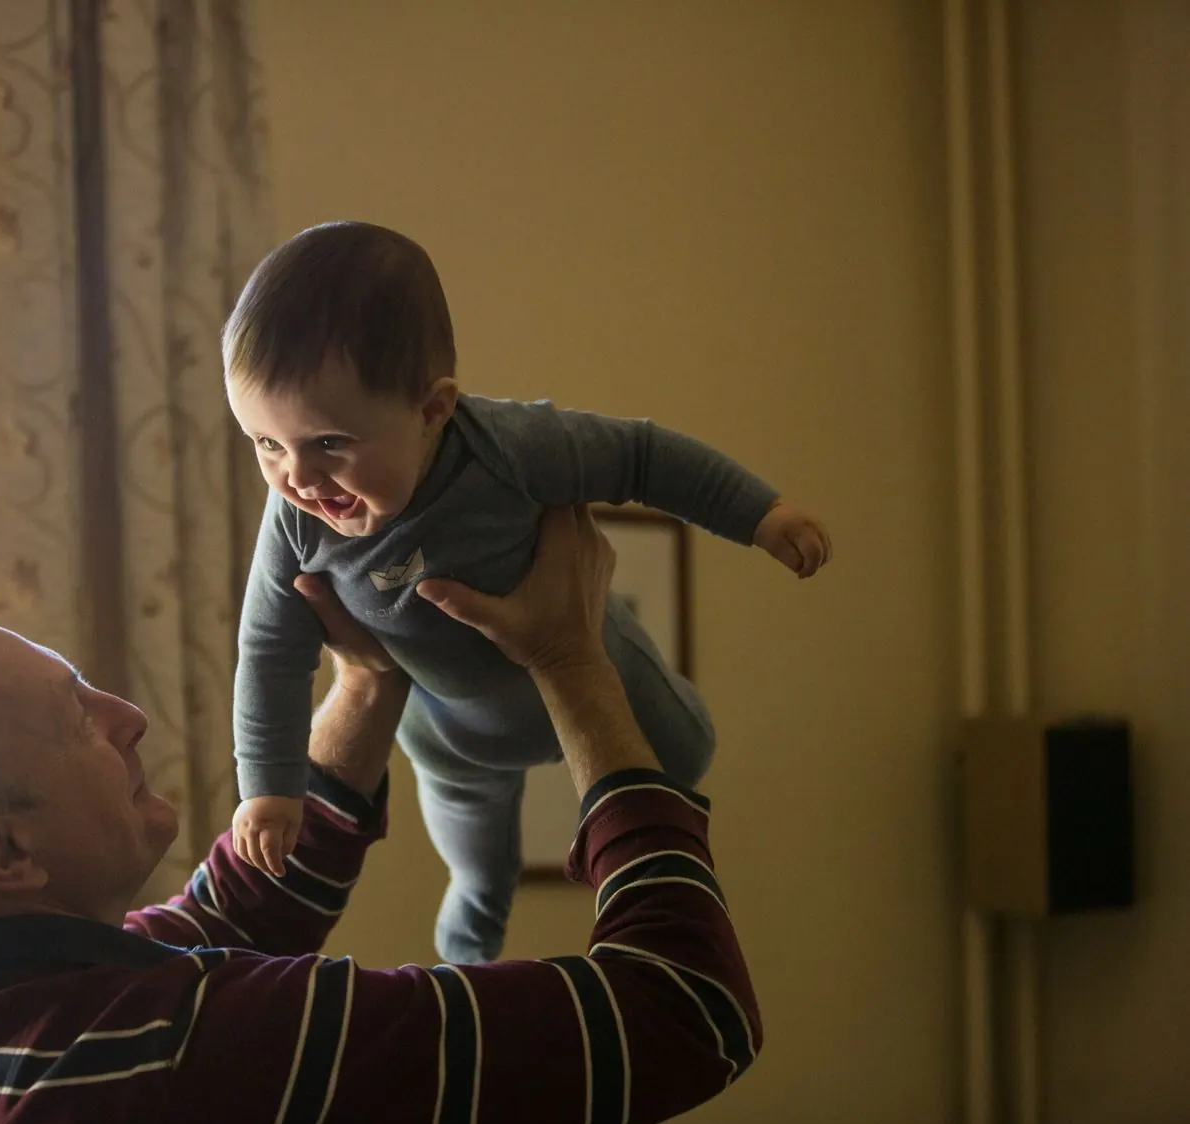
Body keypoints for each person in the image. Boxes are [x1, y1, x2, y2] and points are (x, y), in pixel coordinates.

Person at [0, 505, 763, 1124]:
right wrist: (572, 663)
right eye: (77, 719)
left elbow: (228, 916)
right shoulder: (192, 1052)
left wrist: (369, 678)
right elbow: (686, 1011)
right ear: (6, 852)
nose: (127, 718)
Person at [226, 220, 832, 962]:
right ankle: (468, 960)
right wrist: (268, 787)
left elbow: (642, 456)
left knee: (686, 753)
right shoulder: (294, 521)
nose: (297, 478)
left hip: (592, 661)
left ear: (432, 410)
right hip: (453, 735)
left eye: (329, 443)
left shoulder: (510, 448)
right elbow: (269, 650)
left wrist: (761, 514)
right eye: (265, 443)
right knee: (479, 868)